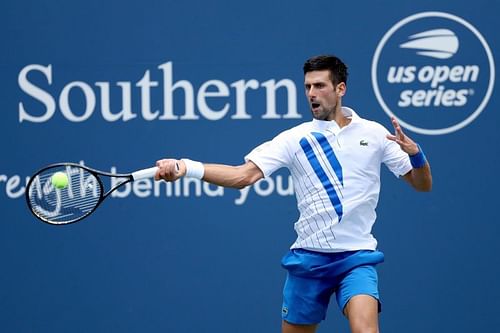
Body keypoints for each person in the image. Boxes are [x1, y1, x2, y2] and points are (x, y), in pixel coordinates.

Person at [155, 55, 432, 333]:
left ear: (340, 89)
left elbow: (422, 184)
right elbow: (243, 176)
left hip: (356, 258)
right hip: (309, 260)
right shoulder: (294, 139)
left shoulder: (374, 133)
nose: (312, 94)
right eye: (307, 87)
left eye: (320, 86)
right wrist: (186, 167)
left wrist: (417, 155)